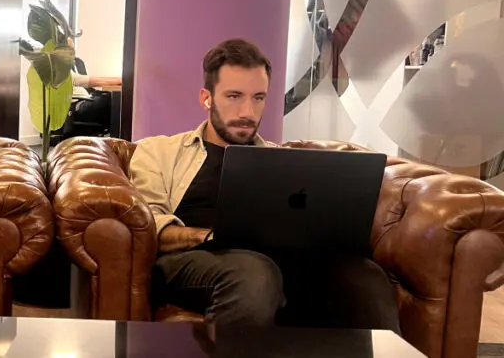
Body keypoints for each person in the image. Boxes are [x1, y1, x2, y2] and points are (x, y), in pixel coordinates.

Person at [128, 38, 399, 331]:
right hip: (191, 262)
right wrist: (209, 236)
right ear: (207, 98)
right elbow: (149, 224)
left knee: (363, 275)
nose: (248, 112)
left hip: (274, 261)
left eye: (258, 98)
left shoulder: (283, 161)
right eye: (234, 96)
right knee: (254, 273)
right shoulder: (158, 152)